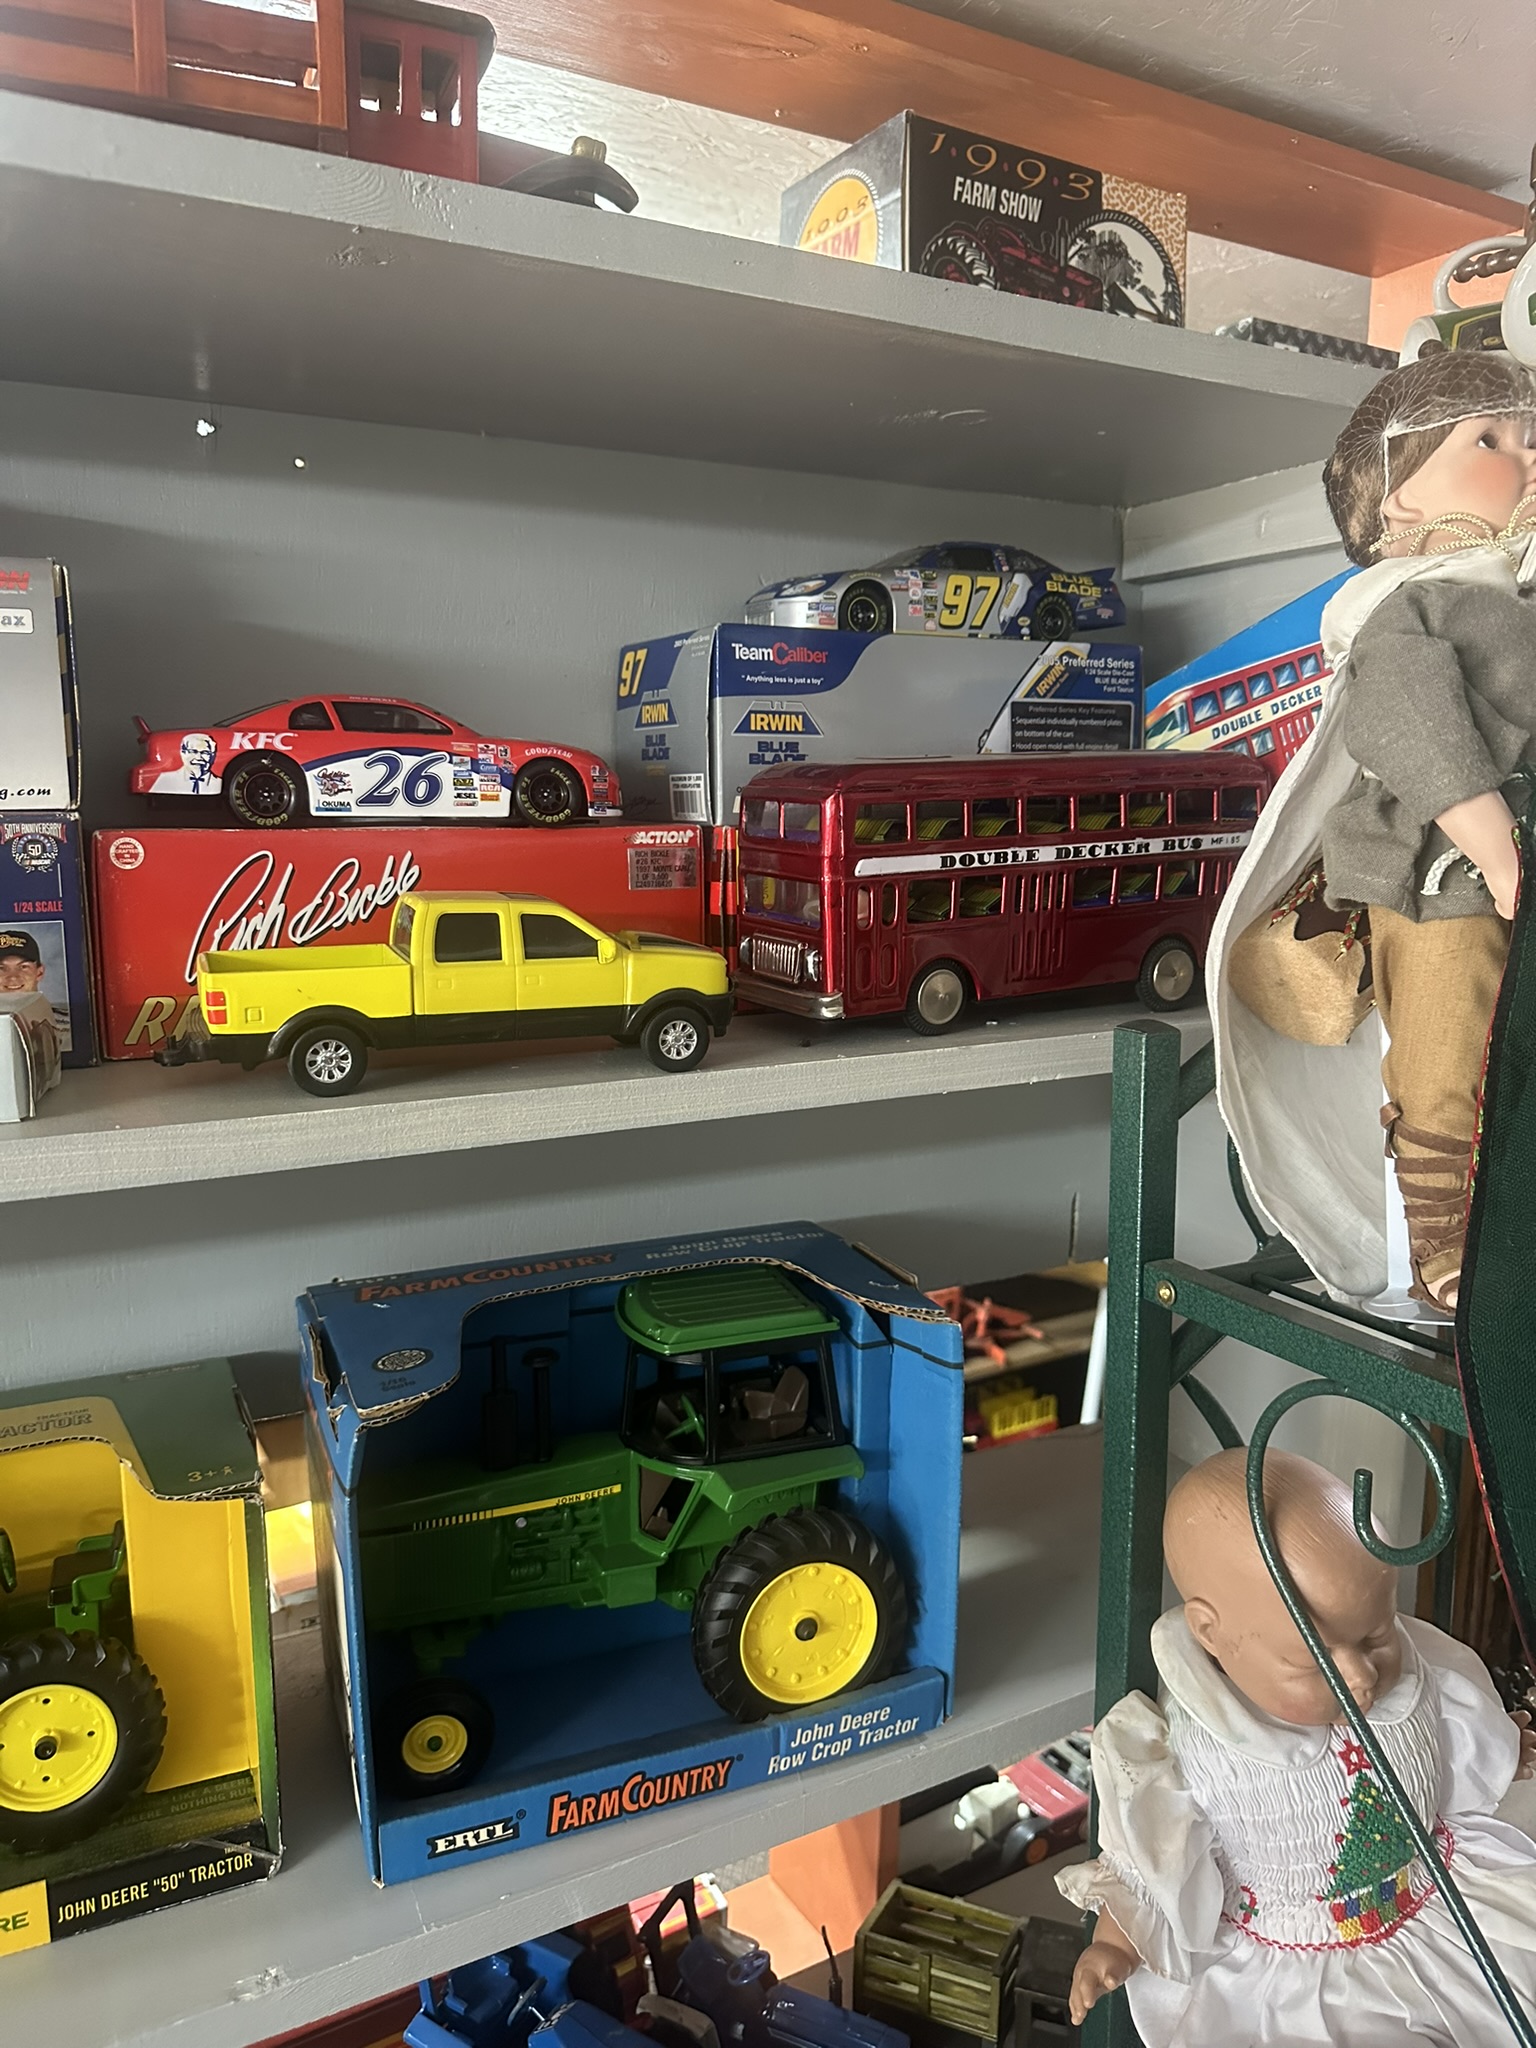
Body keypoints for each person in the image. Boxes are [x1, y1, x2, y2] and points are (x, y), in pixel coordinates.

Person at [1209, 351, 1536, 1312]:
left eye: (1532, 439)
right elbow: (1407, 719)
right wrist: (1495, 848)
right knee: (1446, 1034)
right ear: (1398, 498)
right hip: (1442, 873)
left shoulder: (1515, 598)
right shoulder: (1414, 603)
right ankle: (1443, 1232)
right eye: (1491, 440)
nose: (1526, 457)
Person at [1061, 1448, 1536, 2045]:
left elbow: (1447, 1735)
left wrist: (1498, 1748)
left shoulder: (1409, 1673)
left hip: (1436, 1898)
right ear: (1213, 1634)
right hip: (1304, 1979)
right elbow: (1155, 1863)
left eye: (1376, 1634)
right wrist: (1115, 1943)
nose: (1361, 1675)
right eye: (1314, 1663)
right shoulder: (1195, 1755)